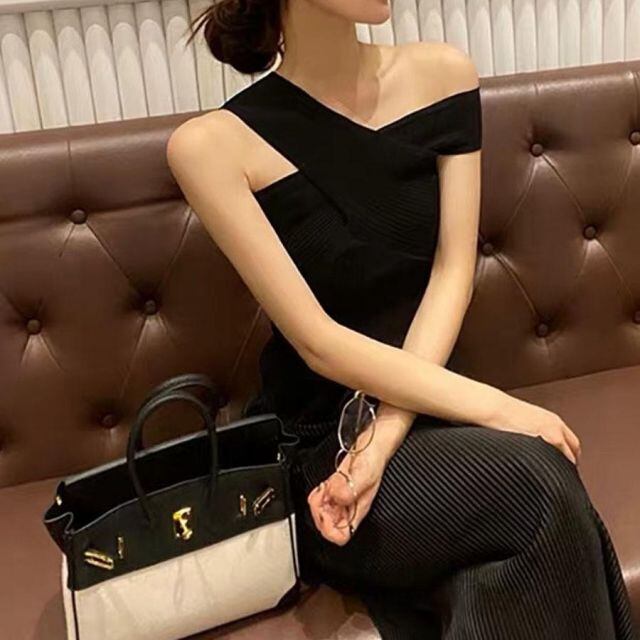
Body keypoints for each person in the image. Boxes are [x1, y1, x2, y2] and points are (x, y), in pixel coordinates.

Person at [166, 1, 638, 638]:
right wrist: (500, 411)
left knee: (513, 544)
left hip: (431, 404)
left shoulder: (443, 75)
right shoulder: (212, 146)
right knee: (541, 486)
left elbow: (451, 271)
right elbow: (319, 342)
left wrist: (383, 440)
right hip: (328, 445)